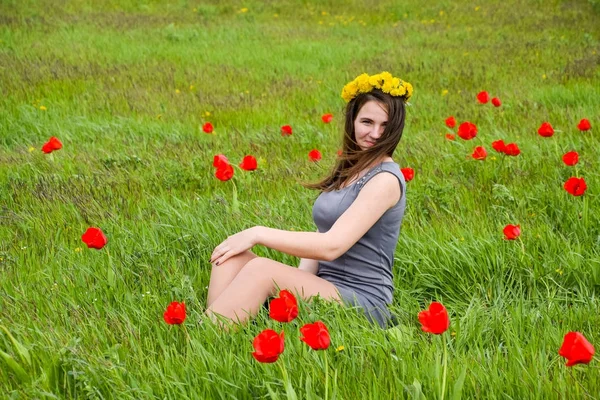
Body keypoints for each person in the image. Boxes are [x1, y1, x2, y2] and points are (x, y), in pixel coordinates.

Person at [205, 72, 412, 329]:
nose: (375, 134)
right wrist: (297, 280)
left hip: (362, 301)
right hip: (325, 286)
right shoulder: (352, 167)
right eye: (367, 122)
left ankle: (206, 337)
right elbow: (322, 230)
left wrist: (258, 233)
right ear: (353, 120)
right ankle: (217, 332)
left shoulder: (385, 180)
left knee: (261, 269)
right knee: (229, 256)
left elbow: (331, 246)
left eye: (385, 126)